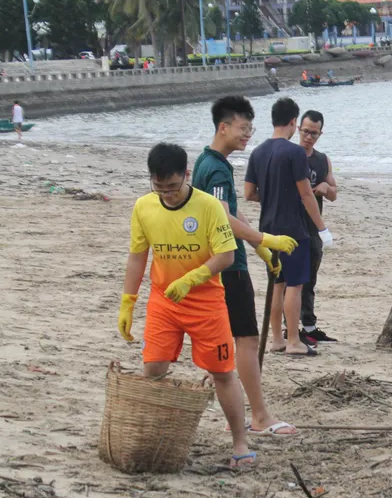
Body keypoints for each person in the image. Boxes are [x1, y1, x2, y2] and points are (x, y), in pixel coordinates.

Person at [118, 143, 255, 466]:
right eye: (159, 187)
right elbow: (138, 256)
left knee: (222, 372)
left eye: (173, 187)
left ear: (187, 175)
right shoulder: (143, 207)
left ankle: (240, 442)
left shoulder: (209, 207)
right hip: (164, 303)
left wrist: (192, 279)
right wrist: (128, 300)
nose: (167, 194)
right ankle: (151, 437)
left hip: (206, 304)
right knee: (153, 369)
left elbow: (226, 255)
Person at [191, 95, 299, 438]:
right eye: (242, 128)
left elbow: (229, 211)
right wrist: (267, 240)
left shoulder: (205, 162)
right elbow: (223, 217)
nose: (247, 135)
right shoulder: (218, 168)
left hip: (219, 261)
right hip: (228, 267)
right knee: (248, 341)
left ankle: (234, 413)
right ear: (223, 127)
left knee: (231, 342)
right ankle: (260, 417)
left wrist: (258, 245)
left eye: (251, 128)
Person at [244, 97, 332, 357]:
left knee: (277, 283)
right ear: (294, 122)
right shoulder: (294, 152)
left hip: (267, 230)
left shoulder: (258, 151)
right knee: (294, 285)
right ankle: (293, 340)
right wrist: (322, 228)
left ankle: (276, 339)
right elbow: (306, 195)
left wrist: (273, 196)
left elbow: (249, 193)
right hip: (293, 229)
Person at [297, 110, 338, 344]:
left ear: (320, 134)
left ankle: (309, 326)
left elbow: (334, 193)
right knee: (291, 280)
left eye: (314, 133)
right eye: (306, 132)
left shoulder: (322, 160)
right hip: (291, 225)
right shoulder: (290, 155)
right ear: (298, 130)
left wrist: (324, 187)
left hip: (313, 228)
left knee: (309, 279)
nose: (309, 137)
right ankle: (290, 327)